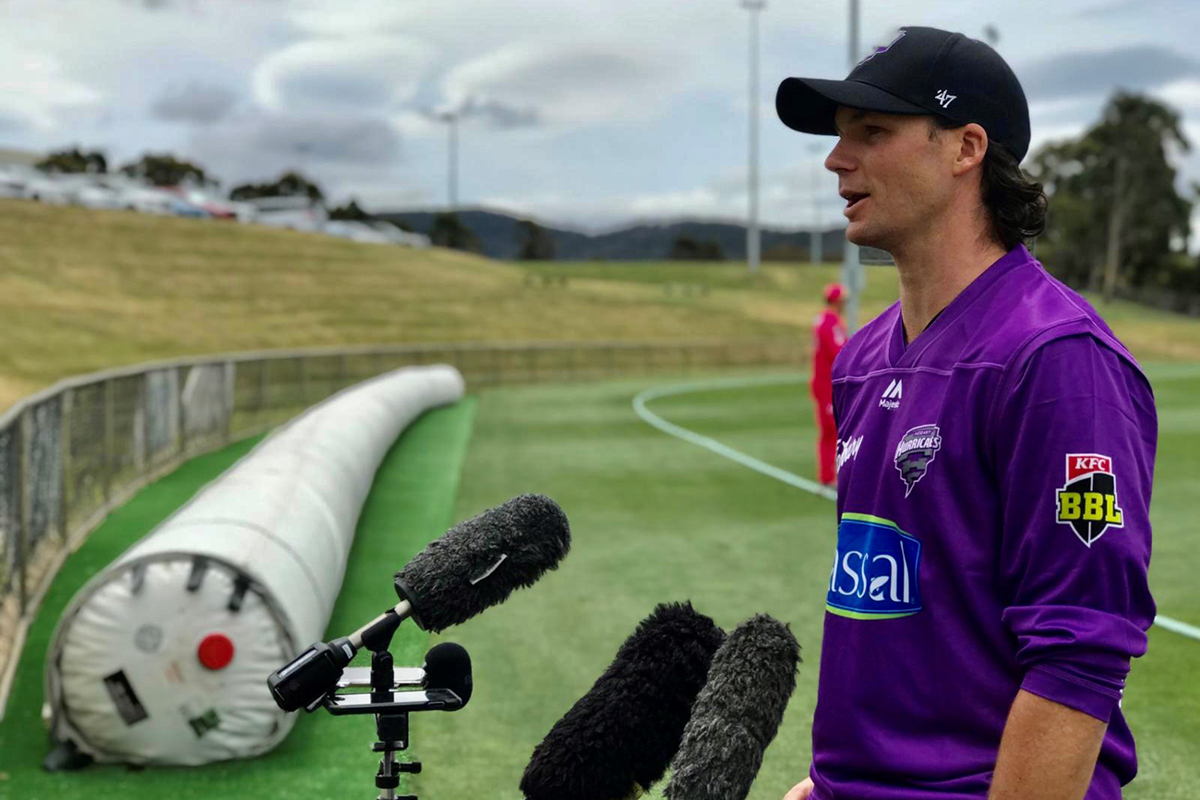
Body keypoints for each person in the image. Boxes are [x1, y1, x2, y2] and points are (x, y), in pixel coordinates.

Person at [774, 26, 1156, 800]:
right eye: (840, 137)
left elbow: (1078, 655)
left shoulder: (1058, 362)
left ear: (966, 148)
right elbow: (904, 619)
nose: (836, 160)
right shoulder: (864, 357)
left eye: (872, 133)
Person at [812, 283, 848, 486]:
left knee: (829, 431)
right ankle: (829, 476)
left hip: (822, 382)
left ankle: (827, 475)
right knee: (832, 429)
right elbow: (839, 351)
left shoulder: (823, 319)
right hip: (826, 384)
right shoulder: (830, 322)